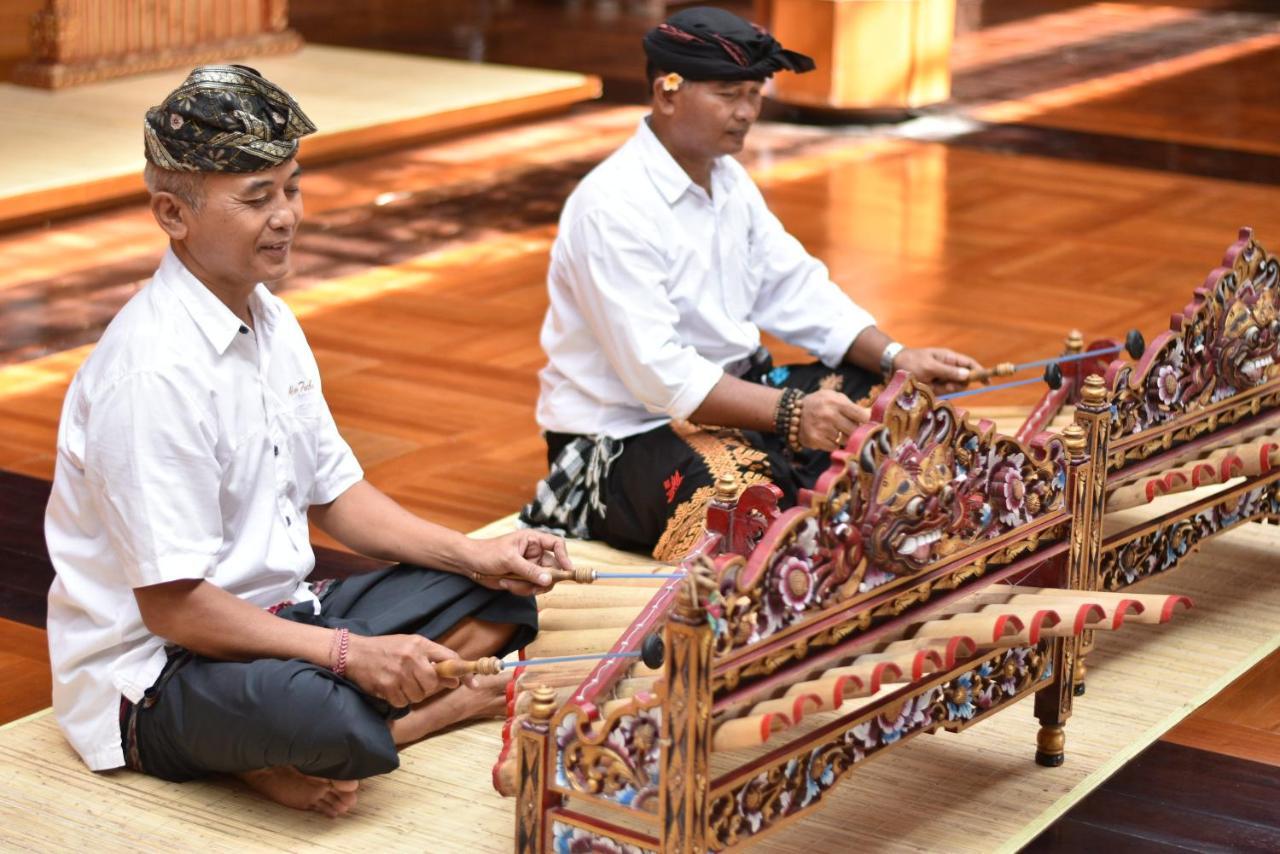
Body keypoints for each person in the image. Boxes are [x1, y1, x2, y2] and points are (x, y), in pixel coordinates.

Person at [45, 65, 564, 818]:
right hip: (160, 673)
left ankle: (299, 746)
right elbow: (177, 611)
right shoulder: (150, 373)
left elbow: (338, 496)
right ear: (172, 213)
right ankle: (409, 716)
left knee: (502, 593)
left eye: (290, 187)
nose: (286, 215)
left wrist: (474, 550)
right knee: (323, 716)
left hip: (286, 620)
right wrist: (354, 656)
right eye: (257, 198)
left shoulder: (272, 321)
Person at [522, 7, 983, 560]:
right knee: (740, 503)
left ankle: (843, 529)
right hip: (623, 435)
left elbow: (793, 286)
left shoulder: (726, 178)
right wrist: (790, 412)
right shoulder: (611, 207)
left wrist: (895, 355)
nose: (746, 113)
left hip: (739, 395)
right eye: (727, 94)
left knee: (895, 408)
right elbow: (658, 377)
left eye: (754, 94)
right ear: (667, 92)